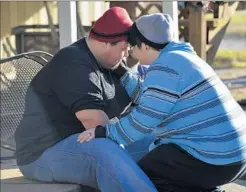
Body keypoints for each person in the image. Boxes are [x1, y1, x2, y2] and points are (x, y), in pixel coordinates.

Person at [78, 13, 246, 192]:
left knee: (144, 174)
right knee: (164, 162)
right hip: (240, 152)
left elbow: (143, 122)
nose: (130, 52)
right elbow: (149, 97)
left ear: (146, 46)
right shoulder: (182, 58)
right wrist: (123, 74)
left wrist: (105, 132)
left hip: (218, 158)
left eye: (133, 46)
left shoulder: (165, 68)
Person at [14, 7, 157, 192]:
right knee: (104, 150)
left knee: (158, 138)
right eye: (124, 48)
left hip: (81, 144)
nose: (126, 55)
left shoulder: (111, 63)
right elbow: (96, 125)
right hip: (41, 154)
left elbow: (142, 101)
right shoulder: (74, 62)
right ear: (107, 43)